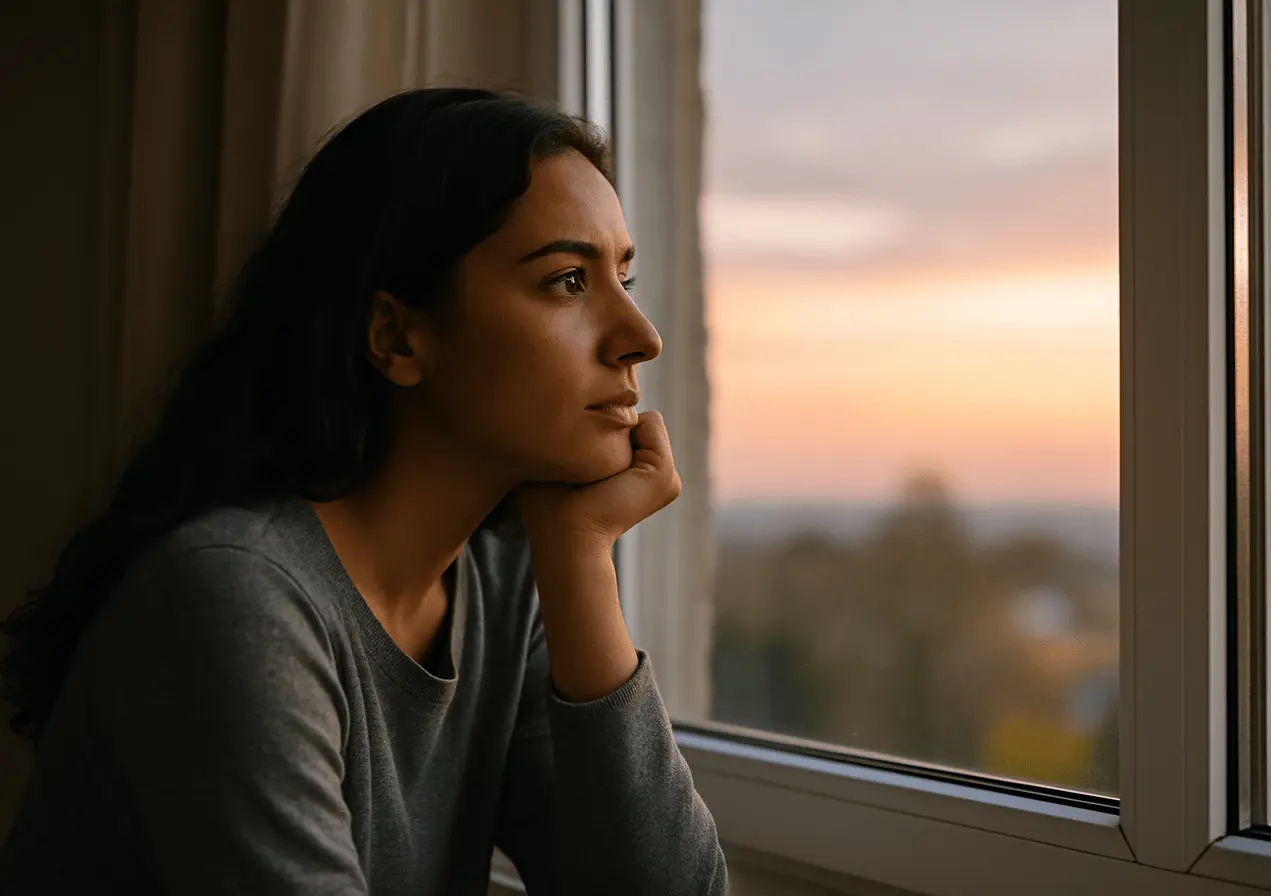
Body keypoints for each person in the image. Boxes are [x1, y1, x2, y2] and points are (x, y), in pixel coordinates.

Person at [0, 87, 727, 894]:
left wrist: (578, 557)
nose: (641, 337)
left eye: (625, 278)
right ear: (396, 336)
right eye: (567, 281)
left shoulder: (503, 583)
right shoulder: (236, 597)